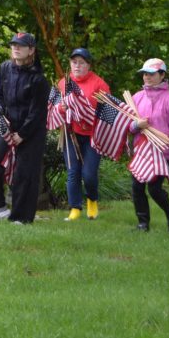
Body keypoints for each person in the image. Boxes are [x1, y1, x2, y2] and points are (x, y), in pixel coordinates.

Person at [0, 32, 49, 224]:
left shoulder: (39, 80)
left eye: (21, 45)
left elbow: (37, 113)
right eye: (13, 45)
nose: (16, 48)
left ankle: (21, 217)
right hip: (9, 126)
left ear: (31, 50)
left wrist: (22, 134)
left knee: (25, 173)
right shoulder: (5, 69)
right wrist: (0, 112)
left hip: (32, 132)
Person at [130, 58, 169, 233]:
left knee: (154, 189)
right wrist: (136, 125)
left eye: (151, 74)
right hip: (141, 151)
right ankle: (143, 224)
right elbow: (127, 125)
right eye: (145, 74)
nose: (147, 77)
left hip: (162, 153)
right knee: (137, 187)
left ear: (162, 75)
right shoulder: (137, 97)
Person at [55, 48, 111, 221]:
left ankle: (92, 200)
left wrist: (86, 110)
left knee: (89, 174)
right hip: (71, 133)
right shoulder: (63, 83)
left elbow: (108, 112)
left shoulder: (99, 85)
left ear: (88, 65)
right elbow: (55, 108)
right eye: (74, 62)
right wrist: (61, 108)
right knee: (73, 172)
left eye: (81, 62)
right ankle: (75, 208)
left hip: (93, 135)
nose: (77, 66)